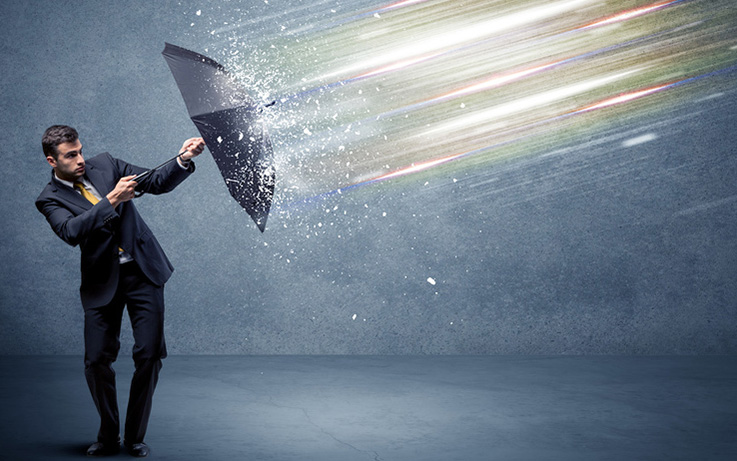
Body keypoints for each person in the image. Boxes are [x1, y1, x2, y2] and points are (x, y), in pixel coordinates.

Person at [35, 125, 205, 458]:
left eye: (80, 150)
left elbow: (155, 182)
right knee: (96, 360)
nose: (81, 159)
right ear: (52, 161)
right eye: (71, 155)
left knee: (150, 354)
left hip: (143, 271)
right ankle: (109, 434)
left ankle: (135, 437)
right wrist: (112, 199)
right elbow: (71, 231)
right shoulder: (49, 198)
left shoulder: (107, 164)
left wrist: (183, 158)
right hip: (102, 282)